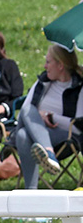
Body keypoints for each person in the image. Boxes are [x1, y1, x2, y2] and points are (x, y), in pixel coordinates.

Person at [14, 45, 83, 189]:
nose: (45, 66)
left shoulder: (79, 87)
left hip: (64, 137)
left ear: (60, 65)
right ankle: (48, 153)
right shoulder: (42, 83)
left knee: (22, 135)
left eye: (48, 62)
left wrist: (51, 117)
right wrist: (39, 116)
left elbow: (78, 126)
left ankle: (31, 192)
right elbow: (23, 114)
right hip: (36, 135)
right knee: (27, 112)